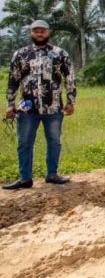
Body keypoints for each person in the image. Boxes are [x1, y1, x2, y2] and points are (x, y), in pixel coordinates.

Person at [3, 20, 76, 190]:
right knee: (24, 143)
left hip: (54, 106)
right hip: (27, 107)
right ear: (31, 33)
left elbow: (70, 78)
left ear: (48, 32)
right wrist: (9, 104)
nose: (39, 33)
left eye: (42, 31)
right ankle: (25, 178)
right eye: (36, 31)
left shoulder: (59, 54)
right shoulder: (20, 54)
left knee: (54, 141)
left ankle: (52, 174)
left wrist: (71, 100)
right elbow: (13, 80)